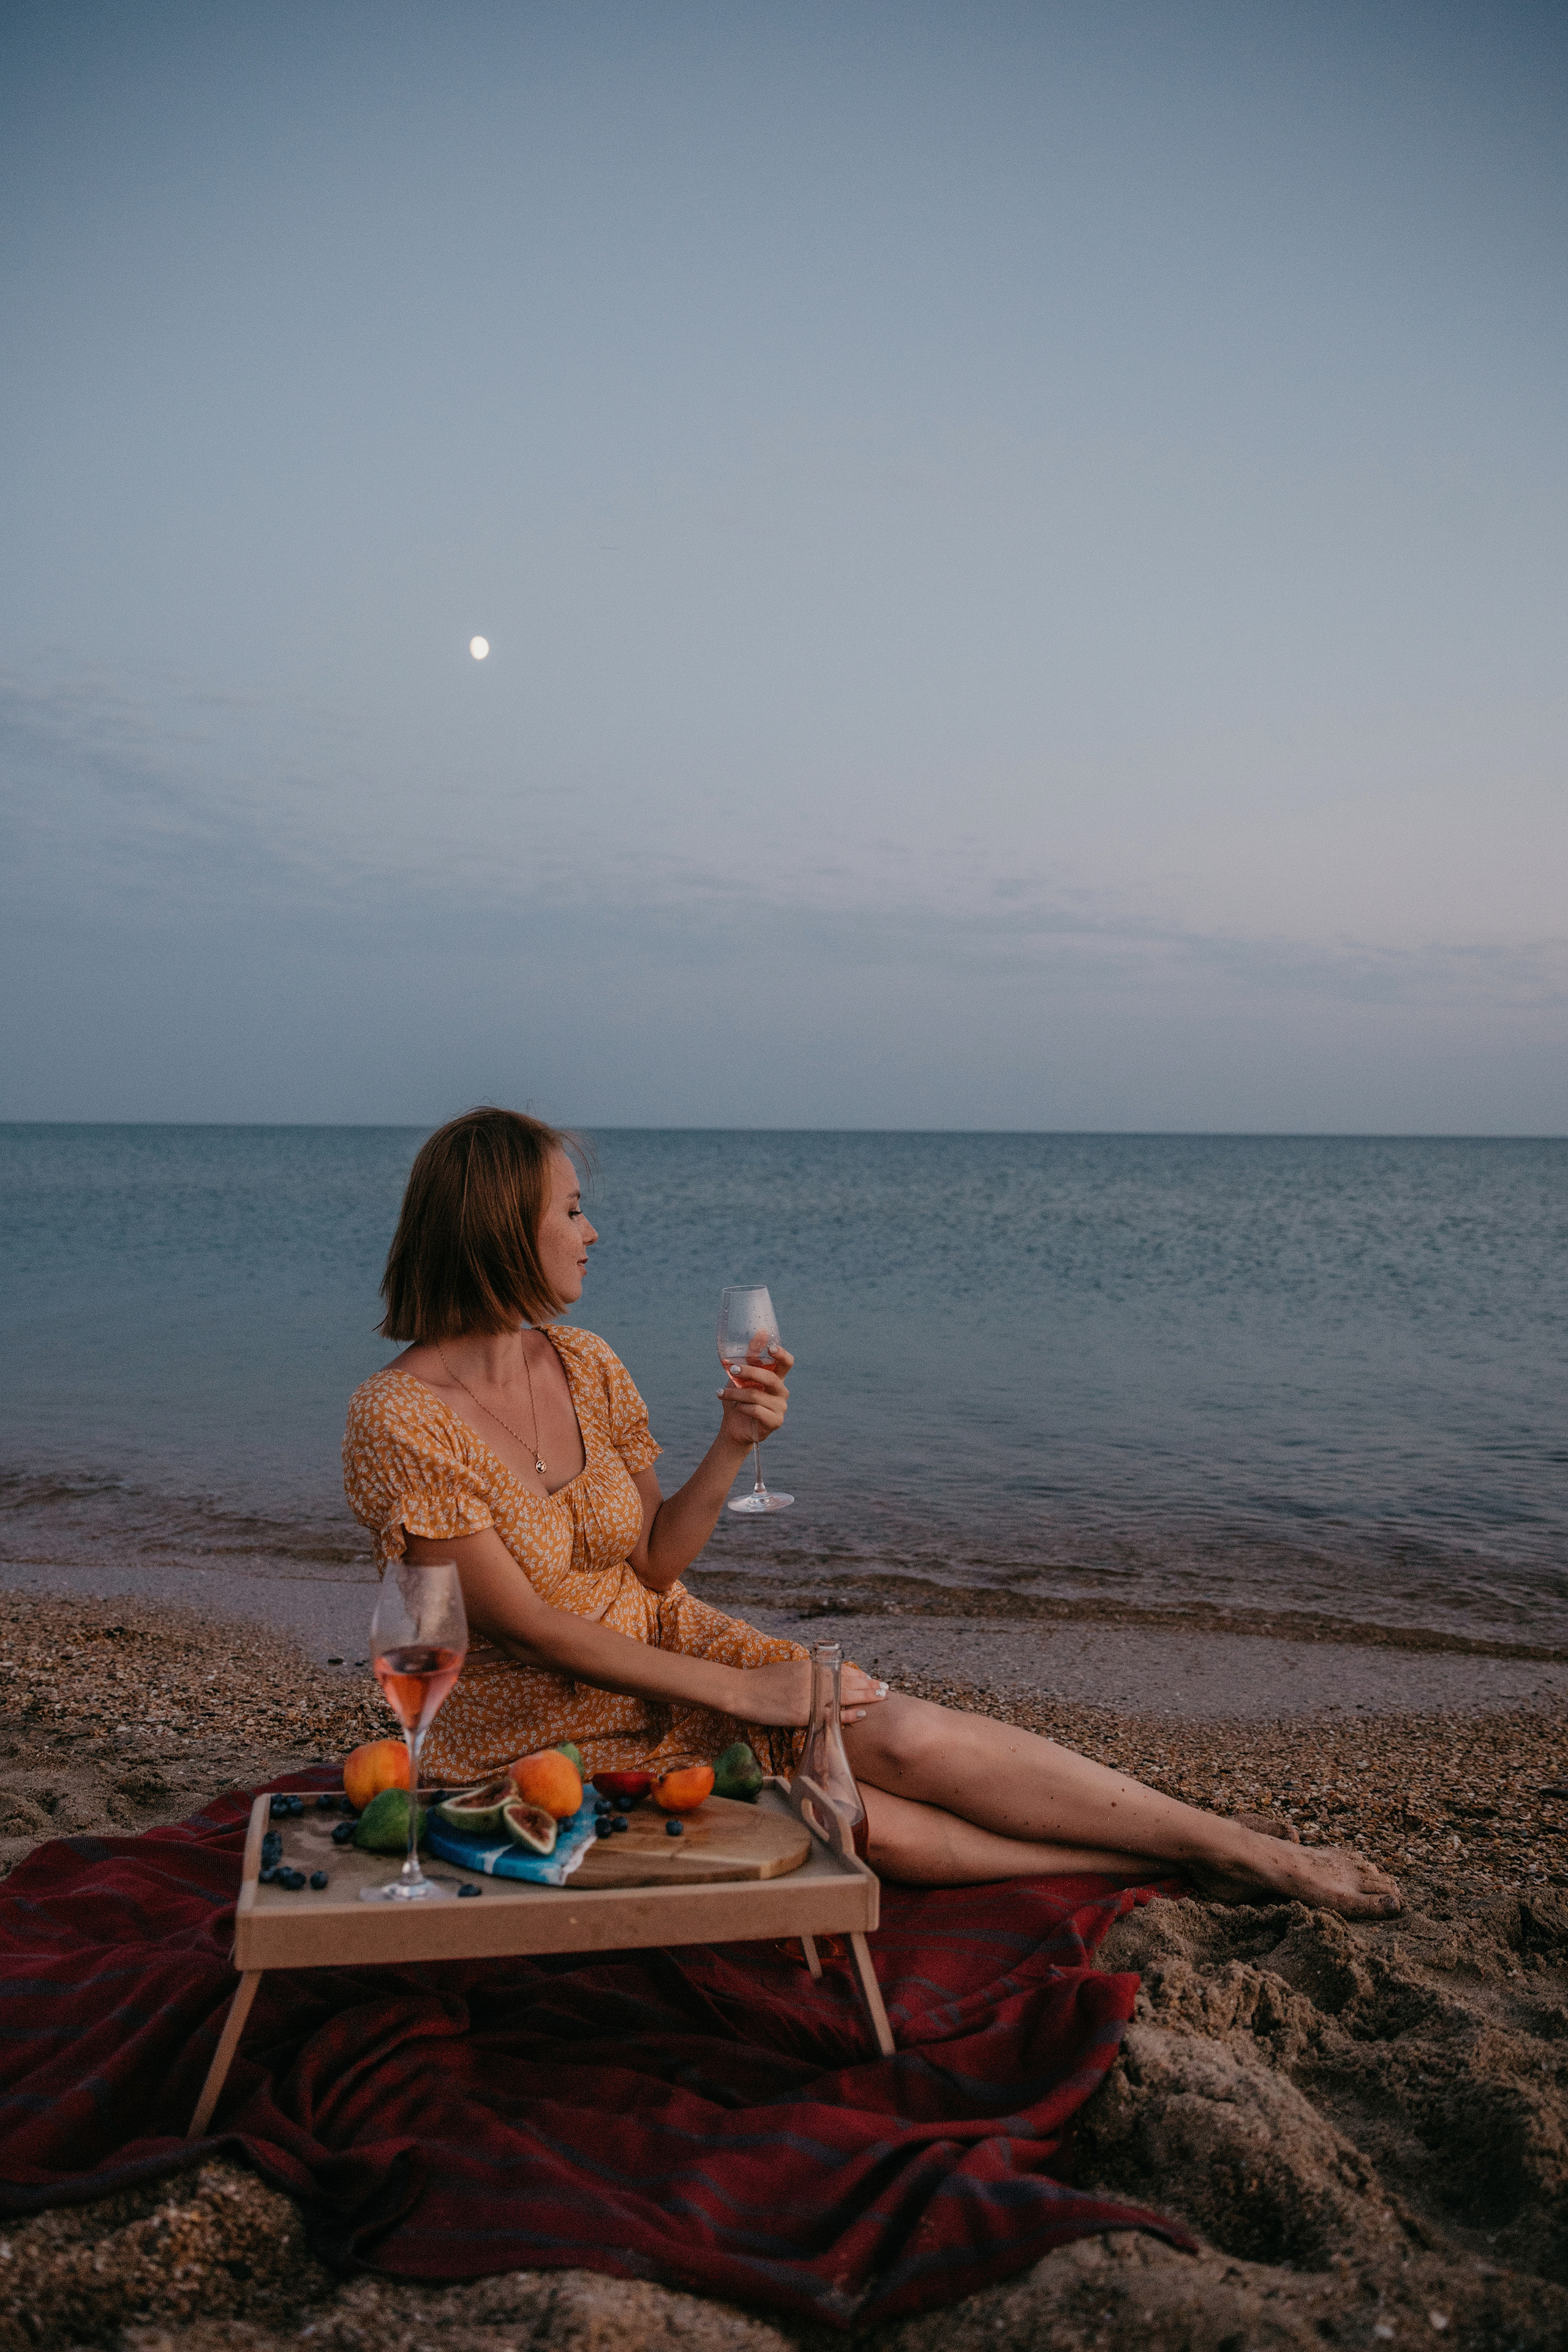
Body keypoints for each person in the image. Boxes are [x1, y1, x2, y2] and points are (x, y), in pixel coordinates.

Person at [343, 1107, 1400, 1917]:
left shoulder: (584, 1362)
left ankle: (1235, 1844)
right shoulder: (401, 1417)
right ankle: (1173, 1858)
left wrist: (735, 1446)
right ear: (496, 1225)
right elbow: (525, 1626)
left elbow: (658, 1565)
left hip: (668, 1639)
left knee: (904, 1733)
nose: (594, 1230)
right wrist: (746, 1696)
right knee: (864, 1826)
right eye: (571, 1209)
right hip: (532, 1729)